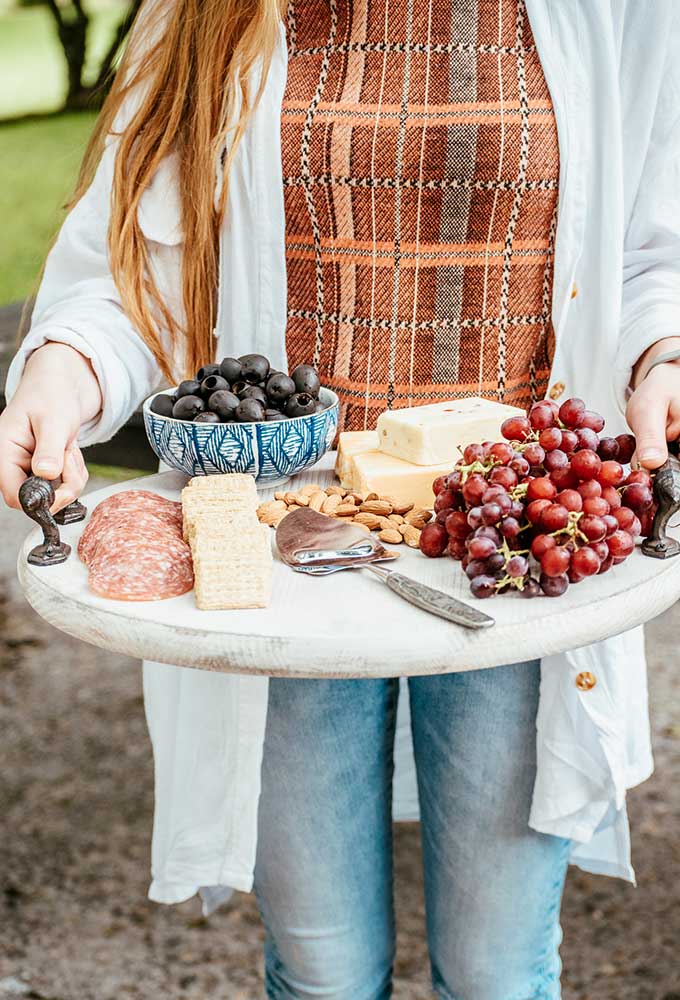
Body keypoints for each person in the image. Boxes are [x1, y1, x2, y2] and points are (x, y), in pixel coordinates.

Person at [2, 1, 680, 997]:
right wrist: (59, 373)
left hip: (503, 546)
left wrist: (662, 352)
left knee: (497, 971)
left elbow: (649, 247)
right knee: (318, 971)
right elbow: (125, 272)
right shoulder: (202, 15)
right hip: (283, 553)